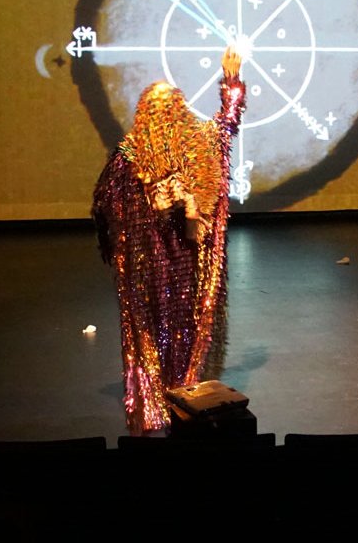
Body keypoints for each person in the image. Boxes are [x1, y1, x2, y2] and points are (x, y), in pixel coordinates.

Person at [92, 45, 245, 434]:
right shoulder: (136, 157)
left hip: (172, 262)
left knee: (167, 326)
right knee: (163, 326)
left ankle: (171, 395)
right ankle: (174, 394)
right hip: (156, 262)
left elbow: (102, 206)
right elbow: (226, 123)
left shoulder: (162, 152)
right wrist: (230, 82)